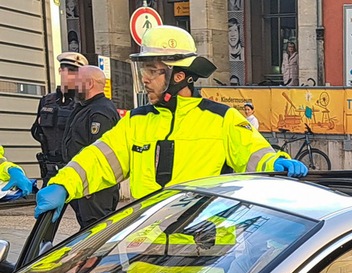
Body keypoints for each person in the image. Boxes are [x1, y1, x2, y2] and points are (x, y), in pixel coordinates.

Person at [34, 26, 306, 220]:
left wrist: (274, 163)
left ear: (179, 76)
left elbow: (253, 154)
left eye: (153, 71)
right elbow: (98, 160)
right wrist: (63, 184)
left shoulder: (221, 119)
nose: (145, 79)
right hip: (143, 260)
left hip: (206, 261)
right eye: (144, 71)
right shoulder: (136, 122)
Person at [62, 66, 119, 228]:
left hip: (95, 189)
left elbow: (100, 155)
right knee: (88, 229)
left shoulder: (101, 112)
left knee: (96, 230)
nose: (74, 85)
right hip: (84, 184)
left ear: (89, 83)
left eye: (78, 81)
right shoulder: (84, 108)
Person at [30, 51, 87, 184]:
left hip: (74, 170)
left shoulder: (83, 103)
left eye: (75, 72)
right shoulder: (46, 101)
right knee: (46, 204)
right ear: (60, 70)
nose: (71, 76)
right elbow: (36, 131)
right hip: (50, 170)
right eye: (68, 71)